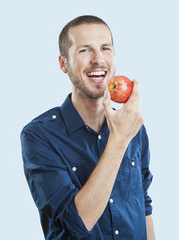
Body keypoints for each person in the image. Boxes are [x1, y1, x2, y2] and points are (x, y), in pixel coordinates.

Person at [21, 15, 155, 240]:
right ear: (64, 64)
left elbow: (144, 206)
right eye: (85, 50)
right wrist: (118, 141)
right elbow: (78, 223)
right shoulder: (39, 136)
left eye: (105, 48)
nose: (98, 59)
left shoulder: (134, 128)